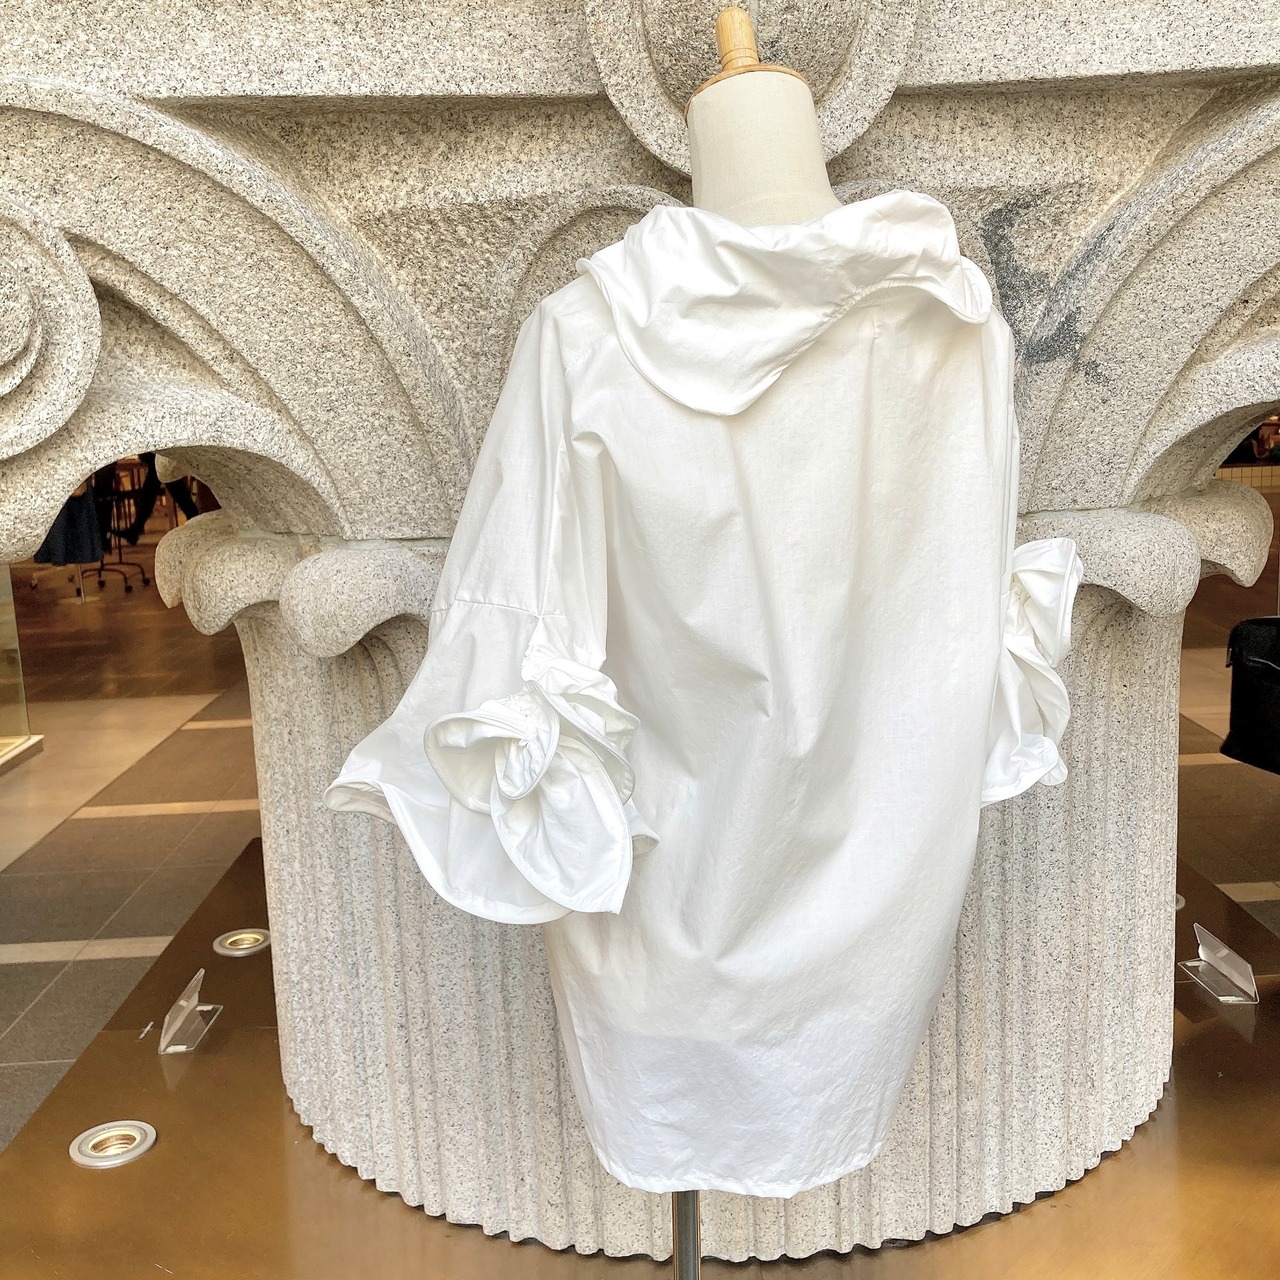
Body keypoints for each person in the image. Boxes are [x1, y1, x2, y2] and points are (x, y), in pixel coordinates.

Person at [120, 452, 199, 544]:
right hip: (164, 460)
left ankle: (135, 529)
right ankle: (135, 529)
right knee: (158, 488)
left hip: (163, 460)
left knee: (153, 488)